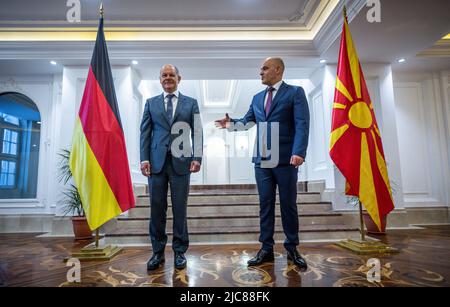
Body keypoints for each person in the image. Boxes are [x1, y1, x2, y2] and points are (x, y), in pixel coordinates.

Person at [215, 57, 310, 270]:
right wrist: (231, 124)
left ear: (278, 70)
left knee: (288, 205)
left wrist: (299, 152)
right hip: (262, 159)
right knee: (265, 205)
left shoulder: (295, 92)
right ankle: (266, 248)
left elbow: (302, 124)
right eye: (261, 69)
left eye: (265, 68)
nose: (261, 72)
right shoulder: (257, 97)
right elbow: (248, 121)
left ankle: (292, 247)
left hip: (286, 159)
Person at [140, 64, 203, 270]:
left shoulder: (191, 103)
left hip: (182, 162)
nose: (168, 78)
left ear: (179, 78)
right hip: (156, 163)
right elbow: (145, 133)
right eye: (164, 75)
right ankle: (157, 252)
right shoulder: (150, 103)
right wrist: (144, 159)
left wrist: (197, 157)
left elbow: (198, 131)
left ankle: (179, 252)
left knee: (180, 208)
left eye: (171, 75)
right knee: (157, 209)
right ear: (160, 79)